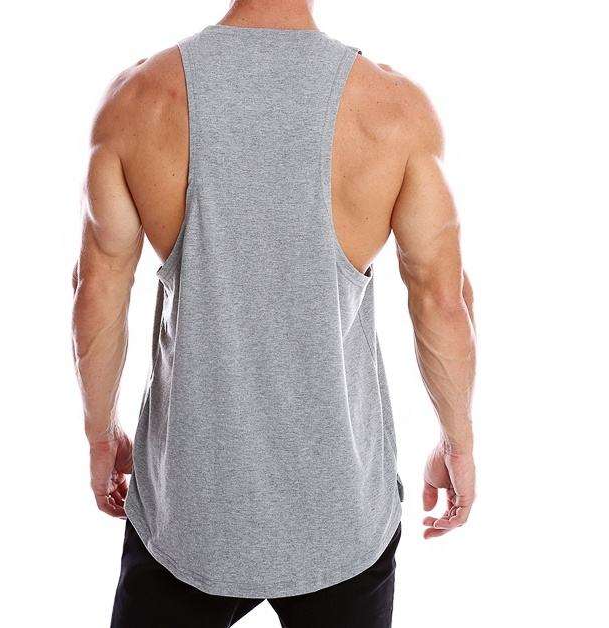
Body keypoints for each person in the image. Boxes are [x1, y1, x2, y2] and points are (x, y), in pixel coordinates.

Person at [72, 1, 476, 626]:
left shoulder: (138, 100)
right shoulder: (393, 111)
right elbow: (442, 301)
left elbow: (96, 291)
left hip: (188, 514)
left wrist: (101, 436)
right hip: (340, 516)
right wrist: (457, 443)